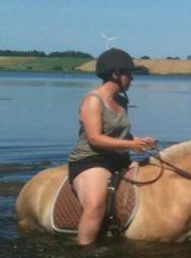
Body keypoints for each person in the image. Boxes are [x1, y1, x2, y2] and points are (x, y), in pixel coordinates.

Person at [67, 48, 157, 245]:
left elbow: (121, 134)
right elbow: (95, 139)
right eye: (128, 73)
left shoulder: (121, 101)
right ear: (116, 74)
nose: (132, 78)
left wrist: (139, 140)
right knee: (95, 205)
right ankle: (84, 251)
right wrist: (131, 144)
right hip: (92, 160)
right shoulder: (92, 100)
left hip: (119, 158)